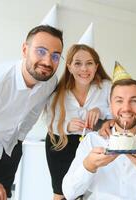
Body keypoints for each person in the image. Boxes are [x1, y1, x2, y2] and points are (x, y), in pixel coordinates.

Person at [0, 24, 63, 200]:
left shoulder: (50, 82)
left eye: (55, 56)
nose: (47, 62)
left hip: (10, 146)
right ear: (25, 49)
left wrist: (19, 139)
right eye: (41, 51)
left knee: (4, 196)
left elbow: (34, 111)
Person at [45, 43, 112, 200]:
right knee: (62, 193)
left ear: (96, 66)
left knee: (88, 191)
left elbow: (119, 111)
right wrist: (67, 125)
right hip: (62, 144)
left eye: (89, 63)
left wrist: (101, 111)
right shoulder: (58, 94)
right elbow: (50, 123)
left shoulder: (107, 88)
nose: (84, 69)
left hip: (93, 145)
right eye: (77, 63)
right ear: (69, 67)